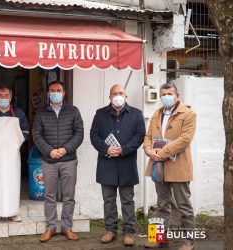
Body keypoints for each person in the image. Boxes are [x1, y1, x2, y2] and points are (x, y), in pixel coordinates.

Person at [90, 84, 145, 246]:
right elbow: (94, 135)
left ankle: (129, 232)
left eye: (121, 93)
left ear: (126, 96)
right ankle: (110, 230)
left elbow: (140, 135)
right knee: (109, 199)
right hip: (107, 163)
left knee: (127, 199)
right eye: (115, 93)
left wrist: (123, 150)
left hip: (127, 163)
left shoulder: (136, 114)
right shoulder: (100, 114)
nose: (118, 95)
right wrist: (106, 148)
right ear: (109, 97)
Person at [144, 83, 196, 250]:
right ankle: (158, 238)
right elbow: (148, 136)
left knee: (184, 205)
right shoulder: (156, 113)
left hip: (179, 166)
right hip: (159, 166)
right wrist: (148, 150)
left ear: (177, 95)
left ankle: (188, 242)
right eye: (163, 94)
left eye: (169, 93)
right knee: (161, 204)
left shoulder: (189, 114)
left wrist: (162, 151)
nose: (166, 96)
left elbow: (186, 139)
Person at [32, 80, 84, 242]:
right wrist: (50, 151)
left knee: (69, 196)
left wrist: (65, 149)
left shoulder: (73, 111)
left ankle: (67, 228)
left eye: (58, 90)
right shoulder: (41, 113)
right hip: (49, 160)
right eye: (52, 91)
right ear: (48, 94)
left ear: (64, 93)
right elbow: (36, 135)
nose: (55, 93)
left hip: (69, 159)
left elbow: (79, 134)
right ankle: (51, 228)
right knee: (50, 196)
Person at [0, 85, 29, 223]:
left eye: (6, 95)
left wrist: (15, 145)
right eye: (0, 96)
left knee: (12, 182)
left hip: (12, 155)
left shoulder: (19, 113)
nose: (3, 98)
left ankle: (12, 212)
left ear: (11, 97)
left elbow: (26, 131)